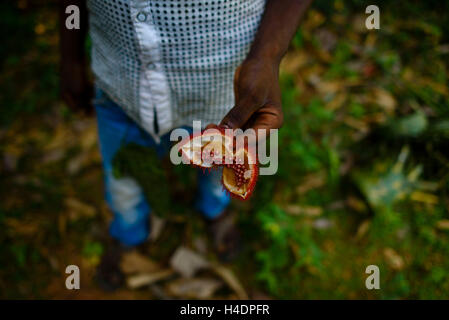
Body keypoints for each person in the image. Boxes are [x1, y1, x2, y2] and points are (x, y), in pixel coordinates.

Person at [59, 0, 312, 290]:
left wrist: (267, 57)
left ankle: (215, 210)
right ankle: (129, 232)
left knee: (222, 170)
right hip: (120, 83)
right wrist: (70, 57)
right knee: (122, 178)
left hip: (223, 85)